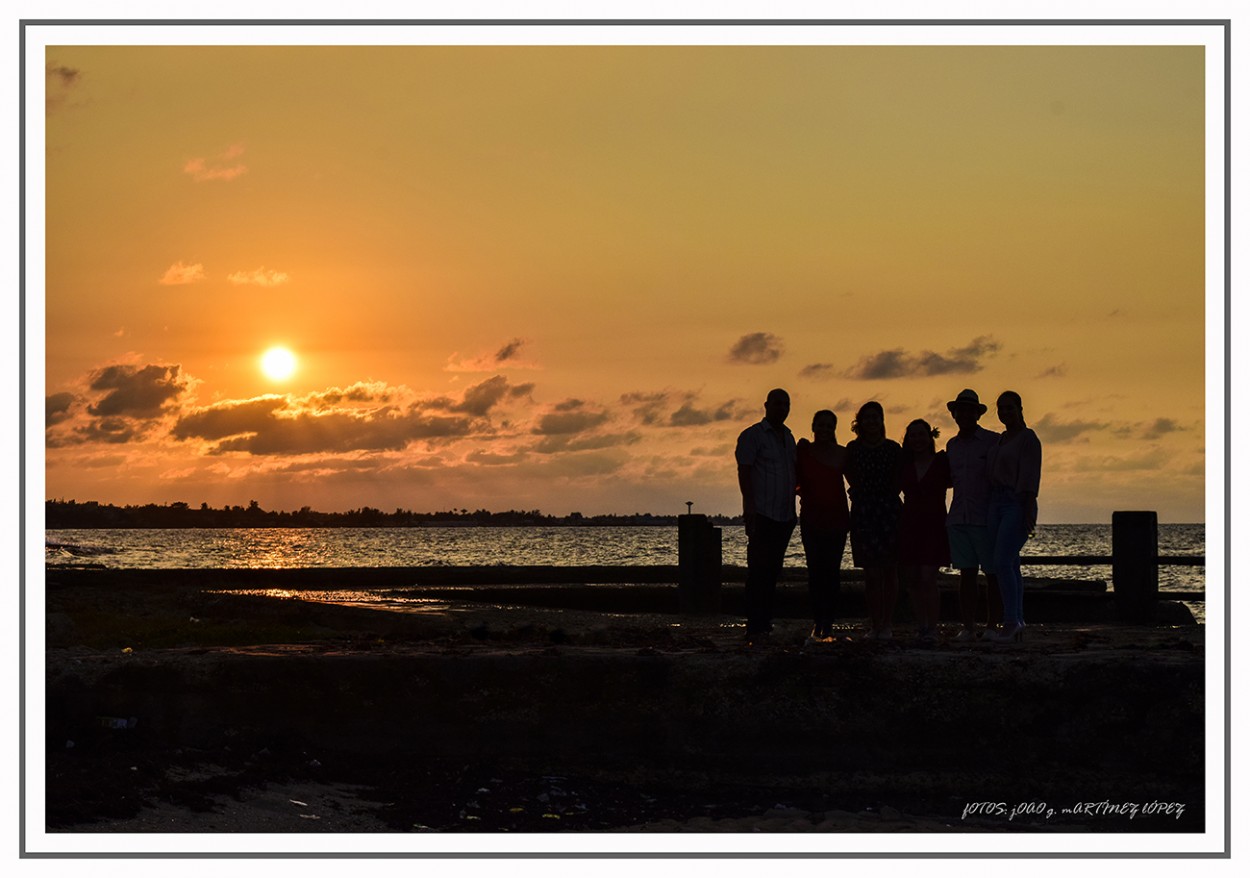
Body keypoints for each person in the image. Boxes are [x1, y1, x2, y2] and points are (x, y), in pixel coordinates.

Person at [735, 388, 798, 643]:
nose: (782, 408)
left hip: (785, 515)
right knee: (758, 570)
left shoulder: (789, 438)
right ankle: (754, 624)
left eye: (786, 404)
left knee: (773, 571)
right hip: (762, 512)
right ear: (766, 405)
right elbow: (745, 471)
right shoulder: (753, 436)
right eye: (778, 403)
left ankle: (765, 622)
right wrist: (749, 505)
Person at [985, 390, 1043, 643]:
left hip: (1016, 502)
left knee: (1001, 562)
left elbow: (1031, 476)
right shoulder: (1001, 439)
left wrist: (1029, 508)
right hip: (995, 502)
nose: (1005, 412)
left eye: (1009, 408)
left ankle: (1010, 621)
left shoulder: (1028, 439)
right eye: (1001, 408)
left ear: (1020, 409)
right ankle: (1017, 619)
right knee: (1011, 563)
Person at [944, 388, 1002, 642]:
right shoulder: (952, 445)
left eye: (969, 410)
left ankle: (992, 625)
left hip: (984, 517)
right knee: (966, 573)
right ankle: (968, 626)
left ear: (977, 414)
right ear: (955, 414)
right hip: (958, 517)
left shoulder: (993, 441)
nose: (964, 414)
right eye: (961, 410)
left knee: (992, 573)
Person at [844, 401, 902, 641]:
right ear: (860, 422)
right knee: (871, 573)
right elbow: (850, 476)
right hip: (864, 512)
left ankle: (887, 623)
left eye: (876, 417)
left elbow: (899, 479)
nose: (871, 421)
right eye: (866, 417)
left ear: (882, 420)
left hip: (889, 511)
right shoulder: (853, 448)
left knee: (890, 570)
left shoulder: (892, 448)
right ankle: (875, 624)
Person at [795, 409, 850, 644]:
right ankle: (818, 621)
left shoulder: (843, 454)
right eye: (821, 425)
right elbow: (794, 480)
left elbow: (857, 482)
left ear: (834, 429)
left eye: (829, 426)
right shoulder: (804, 452)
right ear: (813, 426)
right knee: (815, 572)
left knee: (832, 572)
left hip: (837, 520)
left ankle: (829, 622)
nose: (825, 430)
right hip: (811, 519)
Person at [898, 418, 951, 643]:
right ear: (907, 440)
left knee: (928, 576)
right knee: (912, 578)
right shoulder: (904, 464)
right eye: (913, 435)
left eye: (921, 434)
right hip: (909, 523)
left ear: (930, 437)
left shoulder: (942, 461)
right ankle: (921, 625)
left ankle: (932, 627)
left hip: (935, 523)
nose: (917, 439)